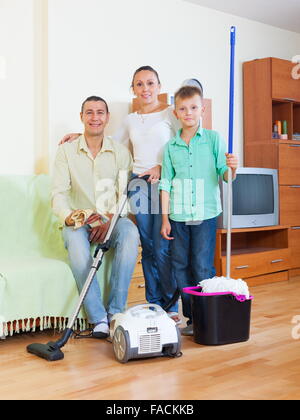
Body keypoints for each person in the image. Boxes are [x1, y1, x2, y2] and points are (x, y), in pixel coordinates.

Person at [60, 66, 181, 323]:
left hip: (163, 184)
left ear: (159, 86)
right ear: (133, 89)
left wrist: (163, 166)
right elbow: (108, 139)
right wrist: (78, 135)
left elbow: (184, 142)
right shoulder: (130, 120)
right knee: (147, 248)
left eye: (150, 83)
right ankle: (154, 302)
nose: (145, 89)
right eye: (139, 84)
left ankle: (171, 305)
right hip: (138, 185)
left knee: (163, 246)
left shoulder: (172, 113)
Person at [52, 95, 140, 339]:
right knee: (77, 245)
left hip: (110, 218)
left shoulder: (120, 153)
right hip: (79, 221)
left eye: (100, 112)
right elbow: (58, 194)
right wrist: (71, 217)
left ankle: (116, 313)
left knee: (130, 233)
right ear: (81, 117)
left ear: (108, 118)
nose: (95, 117)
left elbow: (125, 194)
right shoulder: (66, 152)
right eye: (89, 112)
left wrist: (111, 219)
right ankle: (98, 318)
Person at [159, 85, 238, 336]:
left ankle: (208, 315)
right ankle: (192, 318)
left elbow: (224, 175)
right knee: (180, 265)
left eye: (193, 107)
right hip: (178, 215)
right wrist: (164, 219)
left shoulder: (214, 139)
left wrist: (232, 168)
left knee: (202, 266)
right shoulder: (171, 147)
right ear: (175, 113)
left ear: (202, 109)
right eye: (183, 109)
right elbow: (165, 183)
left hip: (205, 214)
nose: (188, 113)